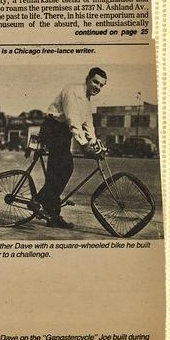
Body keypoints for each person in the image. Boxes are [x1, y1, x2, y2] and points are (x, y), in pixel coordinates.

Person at [35, 67, 107, 228]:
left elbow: (87, 123)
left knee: (59, 171)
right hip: (53, 128)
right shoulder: (72, 90)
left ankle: (50, 212)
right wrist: (83, 144)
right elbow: (73, 119)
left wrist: (94, 142)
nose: (98, 87)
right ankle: (41, 202)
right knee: (65, 166)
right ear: (87, 78)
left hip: (63, 132)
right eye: (96, 82)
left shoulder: (87, 100)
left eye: (102, 85)